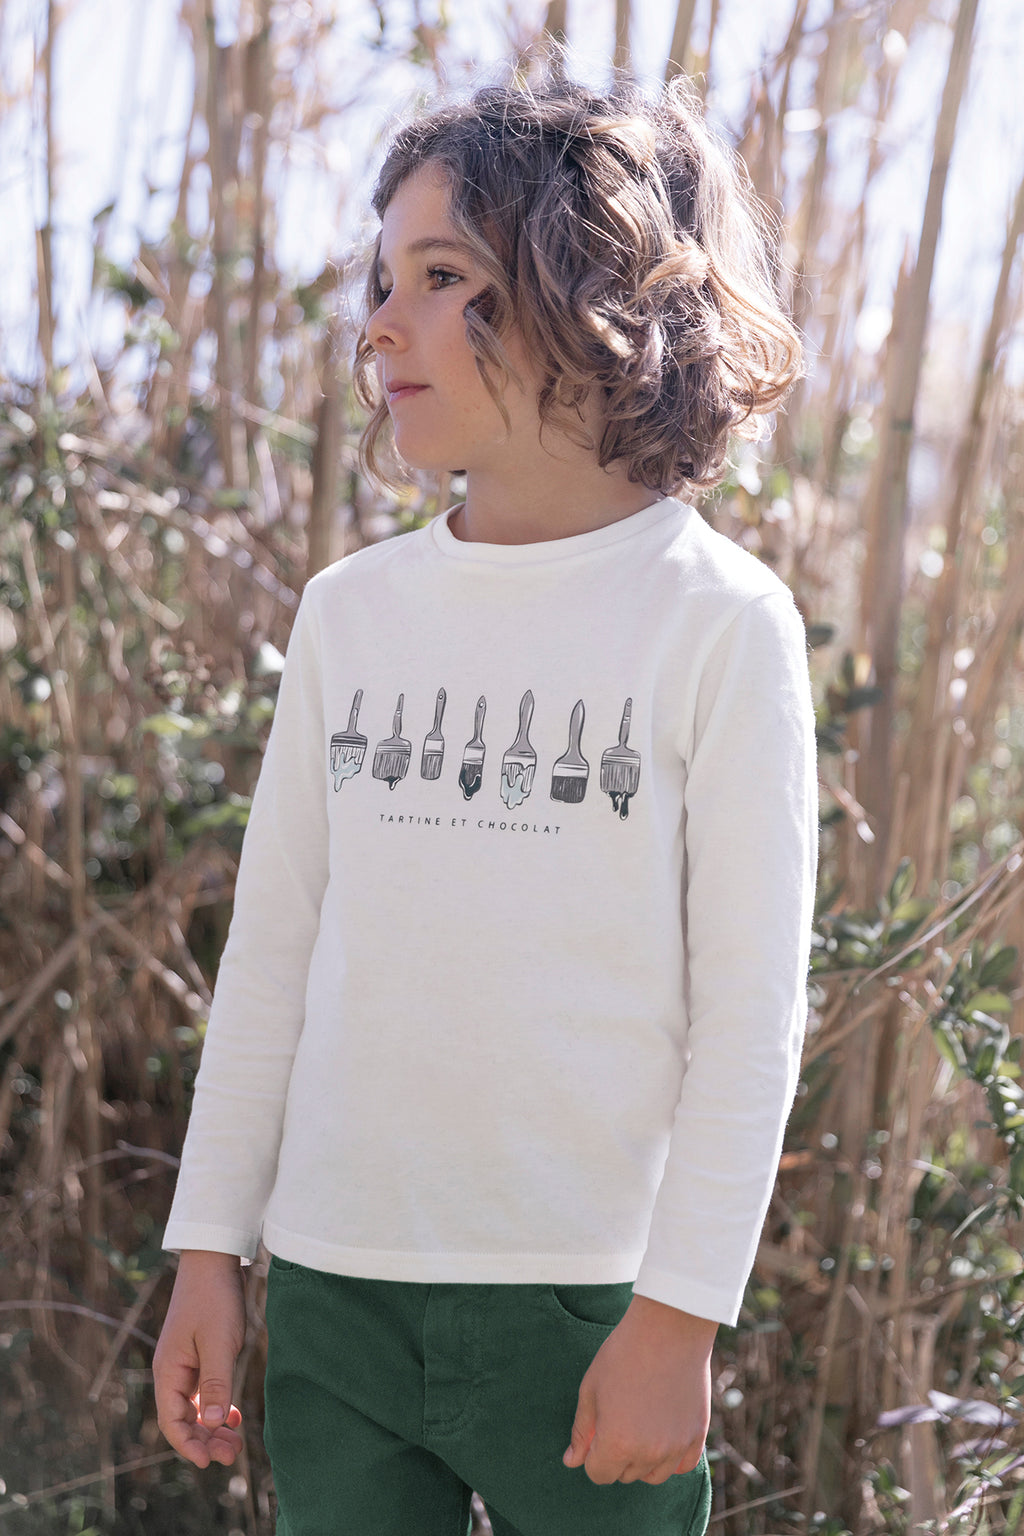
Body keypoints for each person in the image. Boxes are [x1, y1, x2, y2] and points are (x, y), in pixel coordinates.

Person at [154, 62, 818, 1536]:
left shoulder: (720, 623)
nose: (381, 323)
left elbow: (750, 1015)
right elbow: (272, 958)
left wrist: (680, 1318)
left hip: (590, 1310)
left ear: (597, 297)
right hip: (333, 1297)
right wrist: (210, 1247)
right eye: (382, 281)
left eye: (443, 276)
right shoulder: (348, 616)